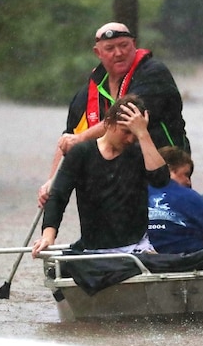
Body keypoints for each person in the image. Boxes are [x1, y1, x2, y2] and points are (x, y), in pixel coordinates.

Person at [39, 22, 188, 206]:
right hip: (120, 182)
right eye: (109, 48)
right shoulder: (88, 92)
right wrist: (52, 182)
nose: (118, 53)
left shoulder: (154, 73)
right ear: (98, 53)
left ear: (134, 44)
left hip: (166, 170)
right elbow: (70, 137)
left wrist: (80, 139)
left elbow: (125, 116)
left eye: (124, 45)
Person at [31, 95, 169, 258]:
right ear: (109, 123)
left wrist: (143, 134)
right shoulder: (82, 153)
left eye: (135, 134)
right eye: (126, 132)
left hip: (136, 246)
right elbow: (58, 195)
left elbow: (161, 180)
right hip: (94, 248)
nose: (130, 139)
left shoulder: (140, 152)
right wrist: (48, 235)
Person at [147, 146, 203, 254]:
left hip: (141, 264)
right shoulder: (192, 198)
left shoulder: (134, 196)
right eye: (186, 174)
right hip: (186, 264)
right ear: (170, 170)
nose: (189, 182)